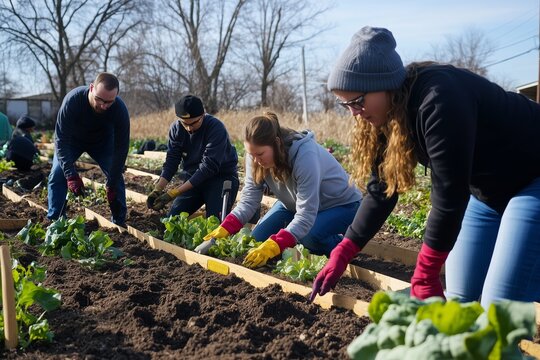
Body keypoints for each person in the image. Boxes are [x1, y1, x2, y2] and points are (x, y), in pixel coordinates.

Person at [310, 26, 540, 308]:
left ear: (384, 84)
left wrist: (426, 270)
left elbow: (449, 194)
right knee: (459, 298)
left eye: (357, 101)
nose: (354, 113)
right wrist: (345, 249)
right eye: (345, 105)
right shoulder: (386, 116)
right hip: (487, 192)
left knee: (499, 306)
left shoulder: (438, 99)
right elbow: (382, 189)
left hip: (532, 179)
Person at [201, 112, 362, 268]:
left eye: (260, 154)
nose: (256, 160)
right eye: (251, 155)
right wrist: (224, 229)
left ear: (277, 143)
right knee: (257, 240)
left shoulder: (305, 157)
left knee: (308, 237)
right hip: (292, 205)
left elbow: (306, 215)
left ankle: (342, 246)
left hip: (342, 205)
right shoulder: (255, 157)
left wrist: (277, 244)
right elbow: (249, 200)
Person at [47, 72, 130, 225]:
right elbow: (61, 141)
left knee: (116, 178)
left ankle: (119, 221)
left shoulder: (119, 109)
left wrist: (111, 182)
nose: (103, 106)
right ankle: (55, 219)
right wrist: (71, 175)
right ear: (91, 88)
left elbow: (121, 148)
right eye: (99, 99)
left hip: (103, 143)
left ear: (116, 96)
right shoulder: (73, 101)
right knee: (58, 173)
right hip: (72, 141)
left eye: (109, 102)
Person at [147, 95, 239, 219]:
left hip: (220, 177)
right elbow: (172, 161)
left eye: (194, 123)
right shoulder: (176, 129)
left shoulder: (216, 128)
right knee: (172, 219)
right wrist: (158, 188)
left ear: (203, 115)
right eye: (185, 124)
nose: (189, 128)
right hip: (193, 178)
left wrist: (174, 192)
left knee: (215, 220)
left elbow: (208, 167)